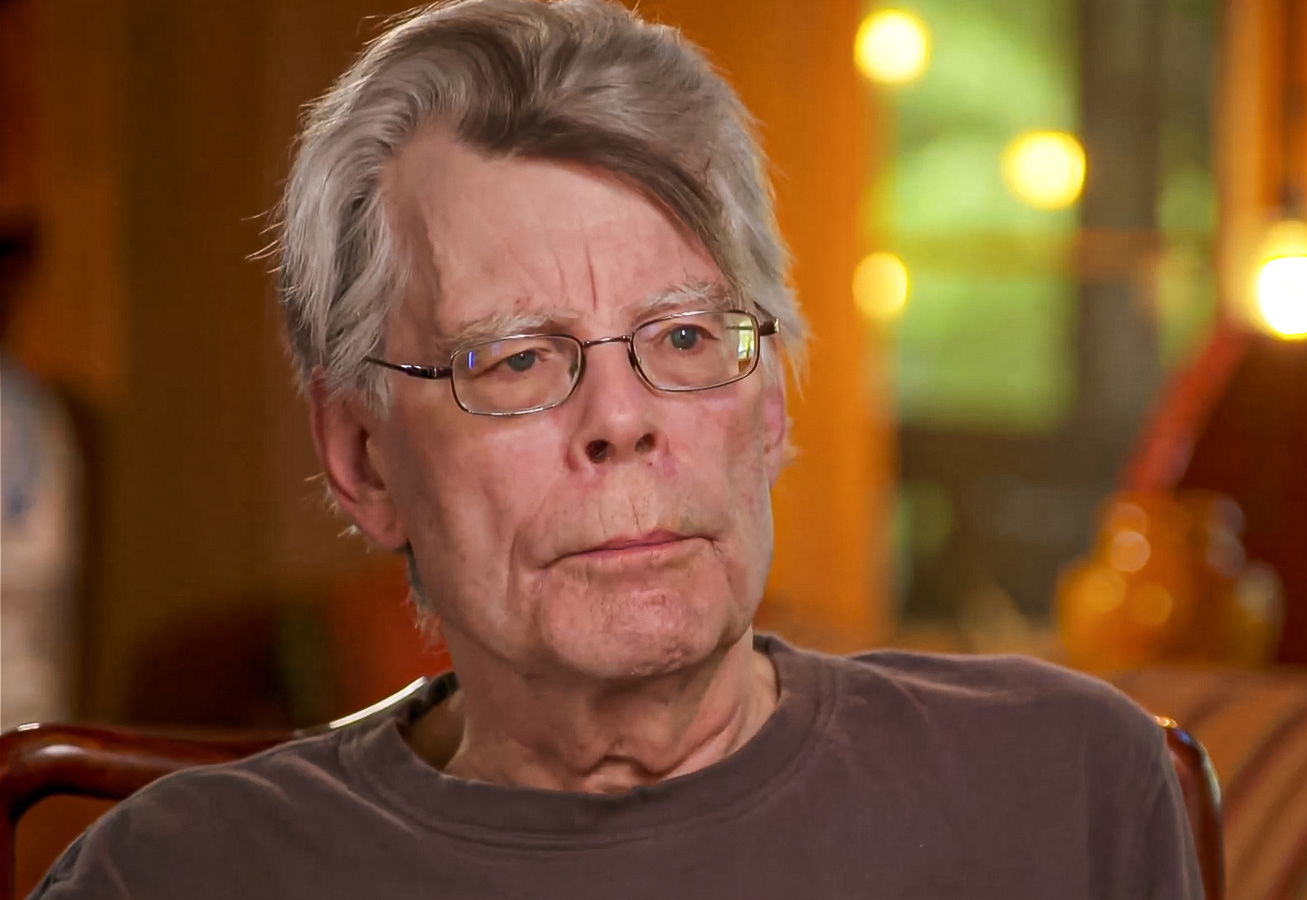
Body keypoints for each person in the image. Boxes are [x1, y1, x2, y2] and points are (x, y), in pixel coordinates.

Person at [30, 1, 1202, 896]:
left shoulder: (1060, 785)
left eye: (684, 337)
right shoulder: (182, 872)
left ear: (772, 405)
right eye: (516, 360)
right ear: (363, 460)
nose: (622, 419)